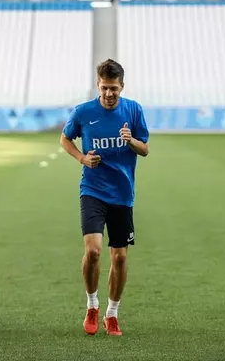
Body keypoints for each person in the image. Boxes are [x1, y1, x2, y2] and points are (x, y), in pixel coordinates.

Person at [60, 59, 150, 336]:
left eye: (114, 88)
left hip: (122, 194)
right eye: (104, 88)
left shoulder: (133, 110)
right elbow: (65, 139)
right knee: (93, 251)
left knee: (119, 257)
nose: (109, 93)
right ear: (97, 85)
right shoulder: (84, 112)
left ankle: (112, 313)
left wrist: (130, 141)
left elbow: (145, 149)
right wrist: (82, 158)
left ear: (122, 86)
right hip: (93, 190)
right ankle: (92, 305)